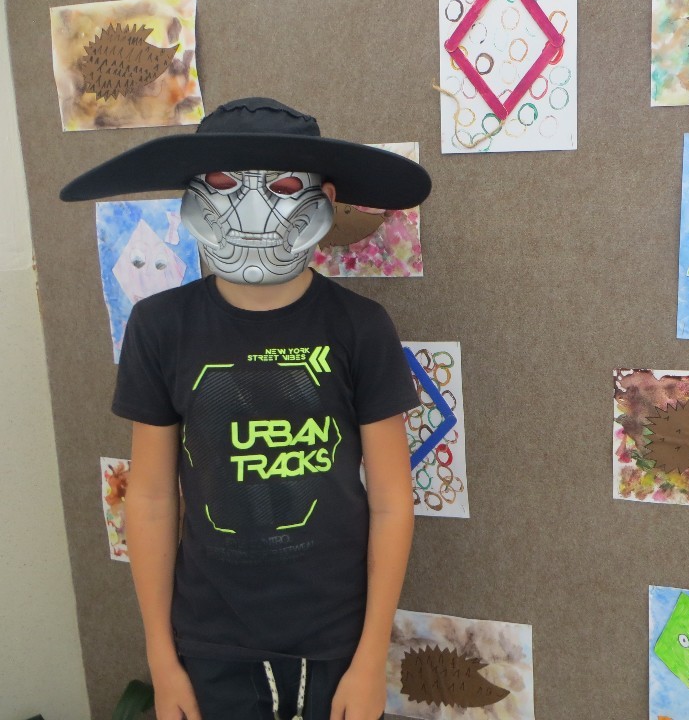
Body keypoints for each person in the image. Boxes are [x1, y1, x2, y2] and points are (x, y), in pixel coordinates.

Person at [61, 97, 433, 720]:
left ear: (323, 198)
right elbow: (149, 497)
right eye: (225, 184)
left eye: (283, 186)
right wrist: (162, 658)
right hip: (210, 639)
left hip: (335, 639)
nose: (254, 210)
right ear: (192, 195)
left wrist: (371, 658)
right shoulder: (160, 327)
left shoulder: (360, 327)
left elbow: (393, 500)